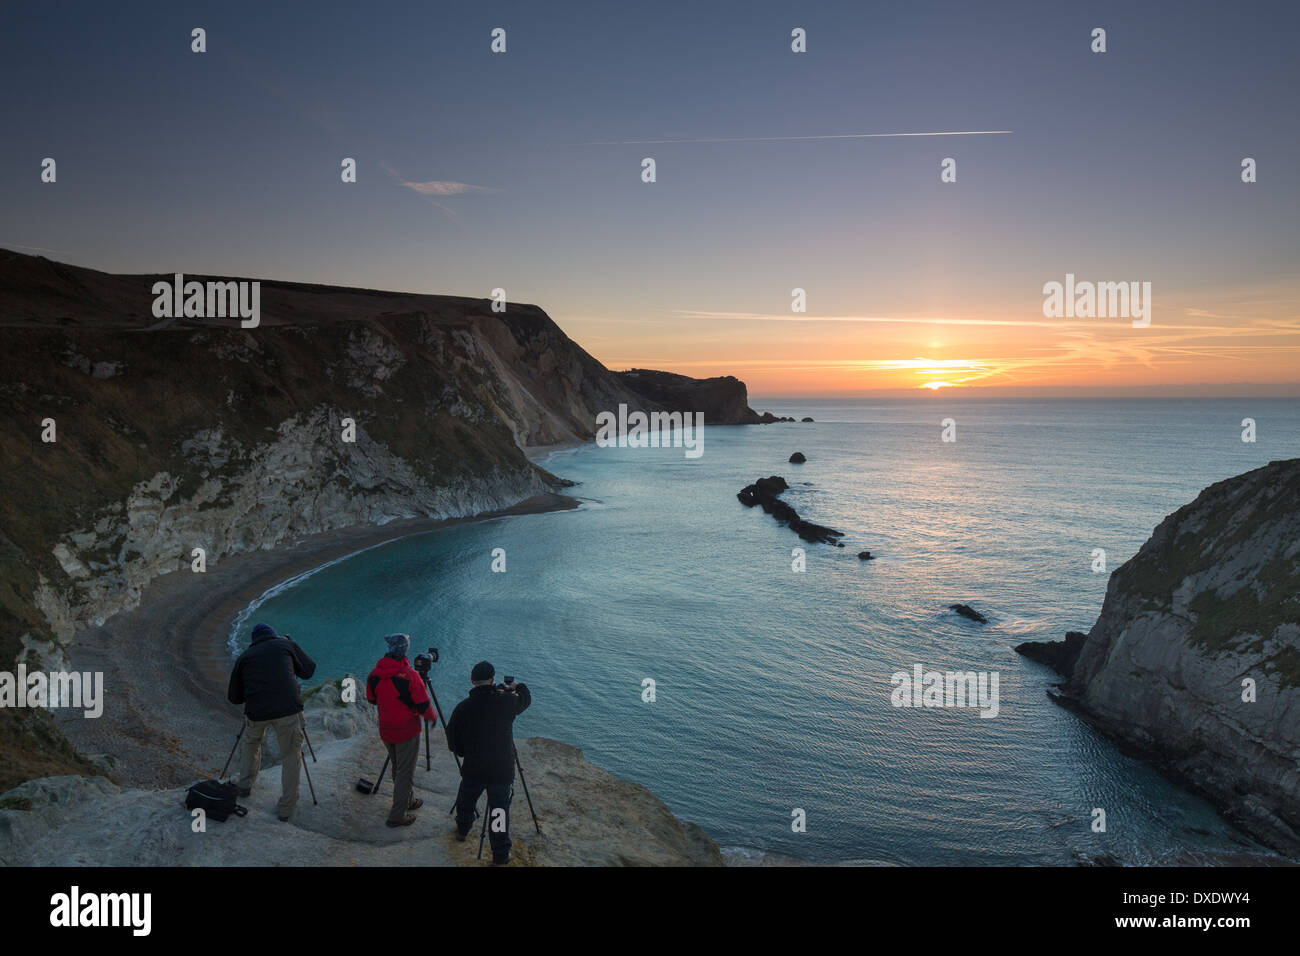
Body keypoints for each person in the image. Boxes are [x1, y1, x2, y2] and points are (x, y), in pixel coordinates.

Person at [226, 621, 316, 821]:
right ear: (274, 635)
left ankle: (244, 785)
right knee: (291, 755)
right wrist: (292, 645)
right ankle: (286, 809)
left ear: (254, 641)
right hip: (288, 709)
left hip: (257, 712)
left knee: (251, 744)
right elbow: (309, 670)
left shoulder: (244, 657)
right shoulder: (285, 645)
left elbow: (234, 697)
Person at [445, 661, 531, 865]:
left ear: (472, 681)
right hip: (501, 771)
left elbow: (452, 739)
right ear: (493, 680)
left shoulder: (463, 707)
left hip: (474, 768)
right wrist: (517, 687)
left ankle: (462, 830)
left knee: (465, 802)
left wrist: (462, 752)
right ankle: (500, 855)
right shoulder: (507, 701)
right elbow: (526, 700)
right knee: (499, 812)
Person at [365, 633, 435, 828]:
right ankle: (397, 815)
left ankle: (408, 800)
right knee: (405, 772)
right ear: (405, 650)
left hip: (386, 730)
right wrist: (432, 718)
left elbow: (371, 699)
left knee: (398, 766)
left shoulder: (374, 674)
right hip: (407, 731)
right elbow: (422, 705)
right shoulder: (411, 676)